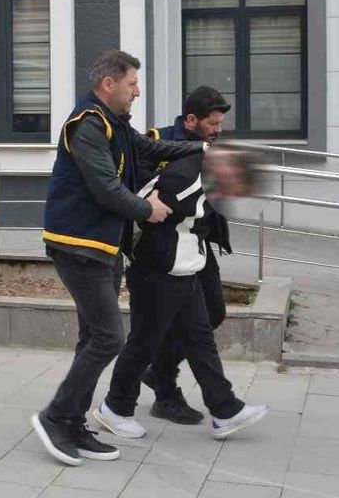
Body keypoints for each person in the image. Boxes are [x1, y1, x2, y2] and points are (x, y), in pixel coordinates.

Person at [30, 49, 205, 467]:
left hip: (103, 246)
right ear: (108, 84)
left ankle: (73, 423)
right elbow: (105, 187)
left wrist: (202, 146)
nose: (137, 91)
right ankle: (55, 417)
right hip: (77, 245)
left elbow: (149, 147)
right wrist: (149, 210)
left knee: (92, 337)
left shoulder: (116, 123)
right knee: (109, 337)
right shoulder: (87, 124)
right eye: (132, 84)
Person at [93, 143, 267, 441]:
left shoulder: (202, 177)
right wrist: (156, 258)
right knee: (143, 344)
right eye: (239, 181)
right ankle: (115, 408)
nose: (237, 190)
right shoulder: (185, 180)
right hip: (157, 275)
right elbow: (144, 212)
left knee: (201, 342)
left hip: (183, 272)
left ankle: (225, 410)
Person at [137, 86, 233, 425]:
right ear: (191, 120)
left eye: (220, 123)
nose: (218, 130)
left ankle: (156, 372)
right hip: (163, 249)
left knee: (214, 312)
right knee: (161, 323)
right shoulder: (157, 141)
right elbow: (134, 185)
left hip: (197, 244)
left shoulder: (213, 147)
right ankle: (164, 394)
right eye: (212, 123)